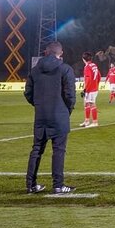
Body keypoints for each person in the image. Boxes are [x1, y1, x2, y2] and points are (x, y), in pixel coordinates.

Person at [24, 41, 77, 194]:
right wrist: (67, 111)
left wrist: (39, 105)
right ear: (61, 53)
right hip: (59, 115)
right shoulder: (65, 69)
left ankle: (31, 185)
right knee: (59, 150)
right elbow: (70, 95)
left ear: (46, 52)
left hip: (41, 115)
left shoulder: (35, 70)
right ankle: (58, 185)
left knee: (36, 150)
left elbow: (28, 93)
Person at [80, 52, 101, 127]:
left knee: (92, 104)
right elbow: (99, 76)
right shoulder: (94, 65)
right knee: (86, 103)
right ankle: (87, 121)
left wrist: (85, 89)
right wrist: (96, 84)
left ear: (83, 59)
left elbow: (88, 79)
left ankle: (95, 122)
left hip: (90, 89)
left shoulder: (87, 67)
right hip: (93, 87)